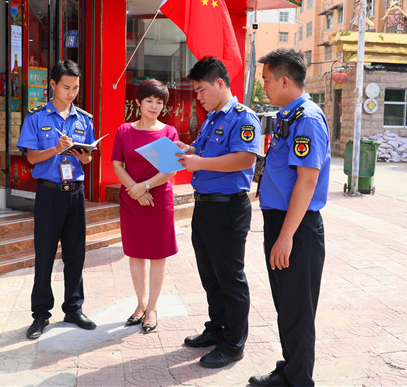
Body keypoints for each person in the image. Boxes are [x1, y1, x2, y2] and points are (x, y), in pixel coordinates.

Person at [247, 48, 330, 387]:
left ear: (284, 81)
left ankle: (299, 381)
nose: (264, 86)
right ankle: (290, 370)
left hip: (296, 228)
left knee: (297, 309)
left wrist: (285, 237)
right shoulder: (288, 116)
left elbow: (307, 181)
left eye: (267, 80)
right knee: (286, 305)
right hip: (281, 222)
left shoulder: (307, 118)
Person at [175, 56, 261, 369]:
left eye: (201, 89)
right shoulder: (212, 118)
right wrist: (187, 150)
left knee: (230, 279)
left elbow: (245, 159)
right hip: (205, 206)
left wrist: (200, 163)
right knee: (210, 275)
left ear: (220, 83)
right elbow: (202, 150)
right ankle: (217, 328)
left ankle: (233, 344)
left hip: (228, 208)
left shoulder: (243, 117)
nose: (198, 96)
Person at [17, 60, 97, 340]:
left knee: (76, 253)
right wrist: (55, 148)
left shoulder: (84, 119)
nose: (71, 93)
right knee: (45, 254)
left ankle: (74, 309)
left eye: (75, 88)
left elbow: (88, 157)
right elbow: (31, 157)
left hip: (75, 193)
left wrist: (85, 157)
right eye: (66, 87)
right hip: (49, 193)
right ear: (52, 84)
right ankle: (40, 314)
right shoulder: (36, 118)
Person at [111, 79, 179, 334]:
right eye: (149, 100)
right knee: (136, 253)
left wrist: (146, 186)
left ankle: (152, 308)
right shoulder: (124, 130)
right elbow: (117, 164)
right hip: (132, 200)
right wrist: (135, 190)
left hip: (159, 200)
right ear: (138, 102)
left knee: (158, 255)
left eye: (159, 102)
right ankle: (140, 304)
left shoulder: (168, 132)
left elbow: (171, 169)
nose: (154, 106)